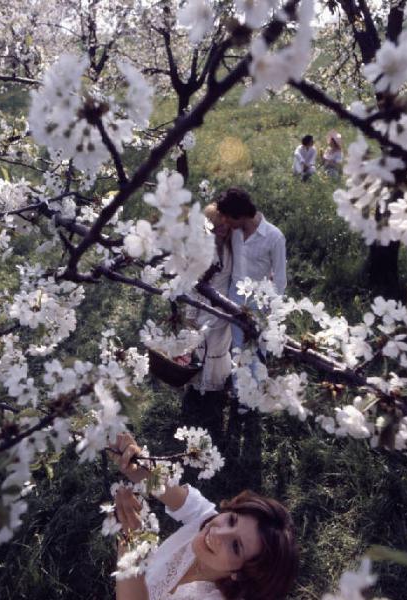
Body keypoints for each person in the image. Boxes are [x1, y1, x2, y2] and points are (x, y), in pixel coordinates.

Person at [111, 432, 299, 600]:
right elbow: (153, 481)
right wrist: (133, 458)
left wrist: (131, 549)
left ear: (240, 574)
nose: (218, 532)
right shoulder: (205, 519)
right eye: (231, 520)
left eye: (235, 546)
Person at [215, 188, 286, 355]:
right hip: (235, 299)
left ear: (241, 215)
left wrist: (273, 312)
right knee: (238, 350)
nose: (225, 221)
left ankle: (259, 381)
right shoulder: (234, 231)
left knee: (259, 349)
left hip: (259, 304)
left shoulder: (274, 237)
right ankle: (238, 380)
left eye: (228, 217)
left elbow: (280, 279)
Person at [186, 203, 233, 394]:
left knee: (219, 345)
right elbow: (192, 282)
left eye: (225, 225)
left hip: (226, 305)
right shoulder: (203, 250)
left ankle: (216, 384)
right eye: (216, 226)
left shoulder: (232, 248)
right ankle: (199, 383)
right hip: (205, 304)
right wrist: (190, 313)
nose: (221, 230)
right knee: (204, 343)